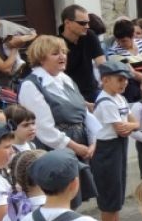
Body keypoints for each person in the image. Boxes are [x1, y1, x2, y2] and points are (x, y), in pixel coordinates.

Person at [18, 35, 98, 206]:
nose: (62, 56)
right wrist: (76, 147)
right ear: (41, 58)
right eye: (55, 53)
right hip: (53, 149)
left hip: (80, 144)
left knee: (72, 197)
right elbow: (43, 128)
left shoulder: (66, 79)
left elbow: (84, 113)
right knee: (58, 199)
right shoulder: (31, 85)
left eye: (63, 52)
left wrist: (92, 141)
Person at [91, 60, 137, 221]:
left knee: (118, 188)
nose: (124, 83)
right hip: (106, 149)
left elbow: (134, 122)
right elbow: (121, 129)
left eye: (125, 79)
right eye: (119, 79)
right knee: (109, 191)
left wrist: (132, 125)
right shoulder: (106, 102)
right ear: (105, 80)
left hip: (118, 147)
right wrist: (132, 126)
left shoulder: (120, 98)